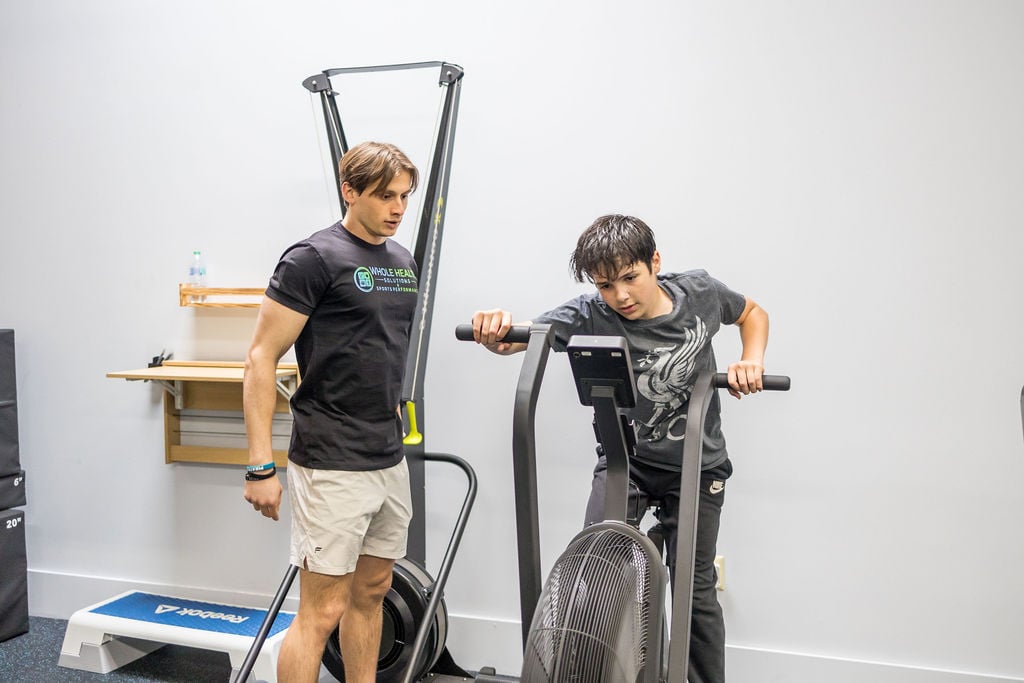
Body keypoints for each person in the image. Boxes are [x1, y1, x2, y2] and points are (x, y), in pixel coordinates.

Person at [469, 213, 769, 683]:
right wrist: (494, 328)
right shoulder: (592, 311)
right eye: (606, 285)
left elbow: (752, 312)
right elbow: (517, 340)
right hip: (624, 462)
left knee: (695, 586)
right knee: (598, 576)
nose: (621, 296)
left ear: (655, 262)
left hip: (697, 463)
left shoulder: (699, 293)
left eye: (630, 278)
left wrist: (752, 360)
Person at [242, 141, 420, 683]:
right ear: (349, 190)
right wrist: (260, 466)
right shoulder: (313, 258)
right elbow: (260, 358)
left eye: (404, 197)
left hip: (387, 457)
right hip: (330, 460)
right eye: (385, 195)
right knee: (320, 612)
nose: (396, 208)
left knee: (371, 596)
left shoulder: (402, 261)